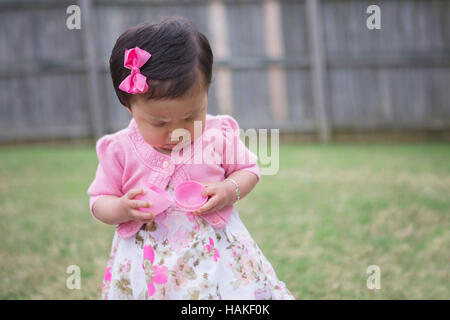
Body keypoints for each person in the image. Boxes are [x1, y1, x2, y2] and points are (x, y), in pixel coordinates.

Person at [87, 16, 294, 300]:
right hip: (150, 264)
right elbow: (99, 202)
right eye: (159, 123)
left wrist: (229, 189)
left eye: (190, 116)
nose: (176, 131)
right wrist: (122, 208)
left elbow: (248, 169)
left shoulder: (217, 133)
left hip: (217, 258)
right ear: (129, 105)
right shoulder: (119, 149)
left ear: (207, 91)